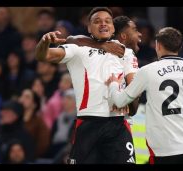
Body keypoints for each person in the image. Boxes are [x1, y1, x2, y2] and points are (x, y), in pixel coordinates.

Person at [35, 7, 135, 164]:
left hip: (118, 124)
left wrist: (129, 105)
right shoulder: (77, 50)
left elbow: (134, 87)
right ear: (89, 28)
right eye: (97, 21)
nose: (103, 24)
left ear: (113, 27)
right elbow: (43, 55)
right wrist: (44, 42)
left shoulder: (125, 53)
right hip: (89, 123)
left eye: (107, 21)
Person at [106, 27, 183, 164]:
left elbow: (119, 101)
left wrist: (113, 85)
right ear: (180, 46)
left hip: (164, 150)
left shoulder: (148, 71)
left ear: (158, 45)